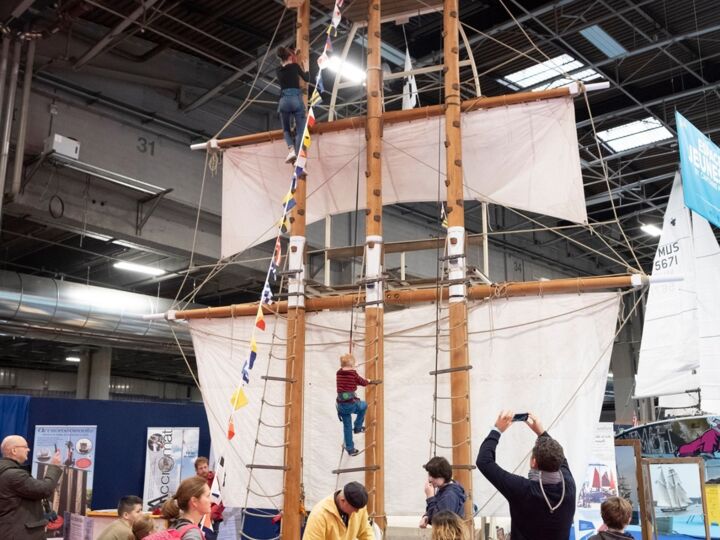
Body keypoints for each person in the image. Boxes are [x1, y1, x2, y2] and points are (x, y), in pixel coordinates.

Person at [476, 411, 576, 540]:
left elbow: (484, 461)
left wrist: (497, 430)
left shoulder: (522, 489)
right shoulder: (569, 485)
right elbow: (560, 458)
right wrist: (542, 433)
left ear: (533, 461)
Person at [0, 435, 63, 540]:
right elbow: (45, 489)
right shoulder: (14, 475)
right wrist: (54, 466)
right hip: (19, 534)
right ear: (14, 450)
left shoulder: (5, 471)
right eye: (25, 447)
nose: (28, 450)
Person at [336, 353, 377, 456]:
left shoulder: (339, 373)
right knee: (363, 406)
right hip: (350, 404)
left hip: (341, 405)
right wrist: (368, 380)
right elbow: (362, 382)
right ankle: (358, 426)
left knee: (347, 426)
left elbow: (350, 381)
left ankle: (350, 448)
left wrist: (353, 366)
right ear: (351, 366)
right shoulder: (353, 374)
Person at [303, 481, 374, 539]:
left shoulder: (357, 506)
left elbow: (365, 533)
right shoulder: (319, 515)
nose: (357, 512)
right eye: (354, 509)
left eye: (359, 509)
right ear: (343, 501)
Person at [276, 46, 310, 164]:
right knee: (300, 130)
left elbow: (285, 64)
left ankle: (291, 149)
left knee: (286, 129)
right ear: (291, 57)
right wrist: (305, 68)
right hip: (296, 99)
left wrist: (292, 54)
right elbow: (307, 78)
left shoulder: (278, 70)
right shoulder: (295, 66)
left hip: (284, 101)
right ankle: (299, 155)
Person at [419, 456, 467, 527]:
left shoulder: (450, 495)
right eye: (429, 475)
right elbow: (437, 509)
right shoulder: (443, 489)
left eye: (434, 476)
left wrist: (430, 497)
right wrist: (427, 516)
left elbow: (440, 521)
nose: (430, 479)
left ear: (444, 475)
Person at [161, 475, 211, 540]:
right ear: (194, 501)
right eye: (207, 496)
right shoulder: (192, 533)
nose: (211, 500)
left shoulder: (175, 525)